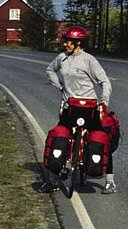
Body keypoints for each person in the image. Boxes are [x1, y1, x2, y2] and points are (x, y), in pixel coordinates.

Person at [44, 25, 117, 194]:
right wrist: (60, 87)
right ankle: (52, 180)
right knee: (59, 136)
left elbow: (105, 81)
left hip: (89, 106)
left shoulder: (89, 60)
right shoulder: (61, 58)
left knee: (101, 137)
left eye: (68, 41)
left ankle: (110, 181)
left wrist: (104, 102)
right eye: (65, 41)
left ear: (78, 43)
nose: (65, 44)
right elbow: (49, 70)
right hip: (70, 106)